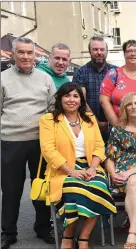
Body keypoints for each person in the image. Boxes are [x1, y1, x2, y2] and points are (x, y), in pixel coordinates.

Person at [39, 82, 116, 249]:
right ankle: (68, 235)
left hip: (90, 165)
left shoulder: (89, 119)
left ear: (81, 101)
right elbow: (48, 150)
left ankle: (83, 238)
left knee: (99, 186)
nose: (71, 99)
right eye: (67, 95)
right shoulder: (48, 120)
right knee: (73, 189)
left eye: (76, 96)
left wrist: (93, 167)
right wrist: (71, 171)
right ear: (60, 98)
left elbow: (99, 146)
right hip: (63, 168)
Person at [1, 37, 56, 249]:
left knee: (41, 186)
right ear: (13, 54)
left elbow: (52, 108)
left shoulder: (45, 79)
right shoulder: (3, 79)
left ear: (35, 55)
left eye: (29, 53)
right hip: (11, 141)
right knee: (11, 189)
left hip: (40, 142)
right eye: (21, 52)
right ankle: (8, 232)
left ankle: (43, 228)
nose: (25, 56)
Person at [105, 92, 136, 249]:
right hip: (120, 172)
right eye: (130, 104)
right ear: (124, 108)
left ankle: (132, 231)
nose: (134, 107)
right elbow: (110, 159)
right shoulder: (117, 130)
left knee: (134, 181)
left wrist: (130, 172)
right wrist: (113, 174)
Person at [73, 36, 117, 141]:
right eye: (95, 49)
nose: (99, 52)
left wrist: (111, 121)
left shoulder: (116, 71)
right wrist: (95, 122)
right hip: (88, 124)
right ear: (90, 51)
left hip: (114, 125)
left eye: (102, 49)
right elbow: (80, 100)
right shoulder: (81, 72)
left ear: (106, 51)